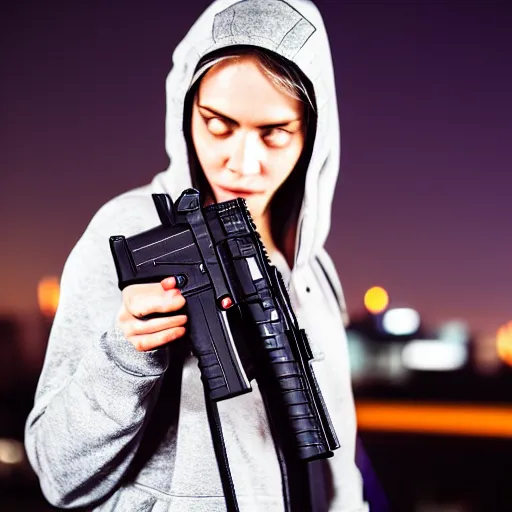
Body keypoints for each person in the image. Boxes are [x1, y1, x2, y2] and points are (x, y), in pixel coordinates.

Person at [25, 0, 368, 510]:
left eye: (274, 133)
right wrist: (125, 354)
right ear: (185, 111)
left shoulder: (314, 268)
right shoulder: (130, 231)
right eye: (218, 124)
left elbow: (336, 471)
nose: (242, 163)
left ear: (312, 138)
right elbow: (60, 477)